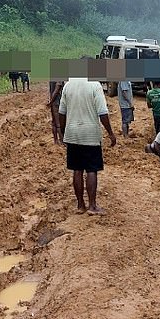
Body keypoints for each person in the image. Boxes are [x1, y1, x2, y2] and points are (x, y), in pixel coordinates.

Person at [58, 76, 117, 215]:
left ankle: (80, 205)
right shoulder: (95, 85)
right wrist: (111, 133)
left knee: (77, 170)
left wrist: (63, 131)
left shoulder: (68, 85)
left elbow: (62, 112)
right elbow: (102, 112)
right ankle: (92, 206)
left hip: (72, 133)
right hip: (90, 134)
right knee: (91, 170)